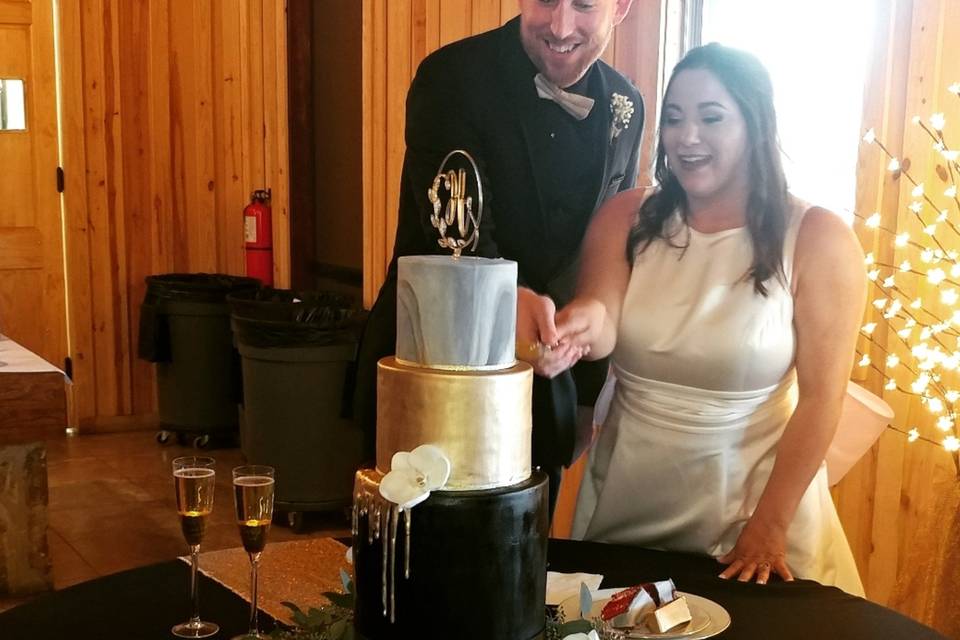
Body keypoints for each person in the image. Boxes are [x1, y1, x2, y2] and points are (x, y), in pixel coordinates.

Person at [556, 43, 866, 595]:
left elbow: (823, 399)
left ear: (755, 125)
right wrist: (576, 324)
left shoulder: (818, 238)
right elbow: (601, 317)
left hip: (754, 514)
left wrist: (769, 527)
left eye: (711, 117)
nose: (687, 136)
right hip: (631, 496)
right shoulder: (625, 215)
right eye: (674, 118)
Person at [354, 0, 643, 515]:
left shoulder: (625, 104)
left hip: (545, 390)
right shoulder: (453, 76)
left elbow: (603, 258)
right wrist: (507, 301)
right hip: (431, 371)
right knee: (409, 573)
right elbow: (455, 229)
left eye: (583, 5)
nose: (560, 25)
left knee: (522, 571)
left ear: (620, 7)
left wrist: (583, 398)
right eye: (545, 0)